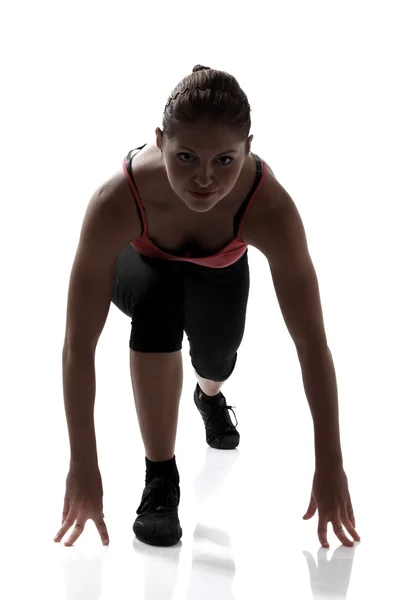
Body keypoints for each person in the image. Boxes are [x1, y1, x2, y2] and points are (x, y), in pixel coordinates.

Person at [54, 65, 361, 550]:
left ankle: (209, 396)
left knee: (216, 359)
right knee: (160, 304)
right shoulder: (118, 199)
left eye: (223, 160)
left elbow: (311, 343)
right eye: (186, 157)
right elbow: (78, 346)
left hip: (220, 268)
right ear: (159, 141)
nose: (203, 178)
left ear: (248, 148)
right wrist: (84, 465)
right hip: (142, 264)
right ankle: (161, 481)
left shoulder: (268, 206)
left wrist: (330, 463)